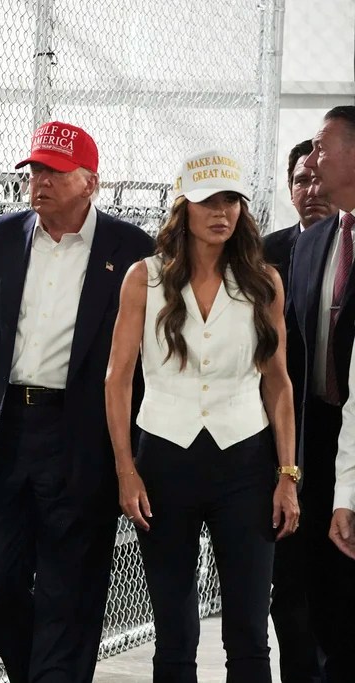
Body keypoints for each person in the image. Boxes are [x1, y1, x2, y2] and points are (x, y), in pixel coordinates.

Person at [0, 121, 152, 682]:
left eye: (55, 171)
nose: (41, 181)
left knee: (69, 588)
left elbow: (145, 364)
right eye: (36, 170)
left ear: (90, 184)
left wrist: (134, 455)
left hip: (82, 435)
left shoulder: (133, 251)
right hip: (0, 432)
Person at [106, 149, 300, 683]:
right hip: (164, 460)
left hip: (246, 462)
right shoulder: (142, 279)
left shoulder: (263, 281)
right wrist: (126, 468)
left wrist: (287, 475)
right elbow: (117, 379)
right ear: (182, 208)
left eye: (231, 200)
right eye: (207, 200)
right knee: (174, 630)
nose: (221, 212)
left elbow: (278, 383)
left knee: (248, 631)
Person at [290, 105, 355, 682]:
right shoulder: (310, 246)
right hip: (312, 445)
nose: (311, 162)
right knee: (314, 594)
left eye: (320, 147)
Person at [264, 139, 332, 683]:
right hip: (280, 446)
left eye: (318, 177)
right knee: (289, 591)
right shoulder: (265, 255)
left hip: (338, 436)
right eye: (300, 180)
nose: (311, 191)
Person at [264, 139, 335, 292]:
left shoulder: (350, 249)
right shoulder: (264, 251)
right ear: (290, 191)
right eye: (302, 181)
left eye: (321, 180)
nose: (313, 191)